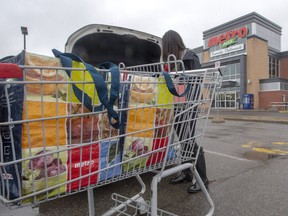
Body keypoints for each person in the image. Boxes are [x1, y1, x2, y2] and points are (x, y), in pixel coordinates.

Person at [162, 30, 209, 193]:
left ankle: (203, 179)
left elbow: (197, 81)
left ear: (170, 45)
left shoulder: (189, 57)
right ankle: (187, 173)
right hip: (176, 106)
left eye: (165, 46)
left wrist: (191, 102)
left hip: (188, 106)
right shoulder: (172, 61)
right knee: (183, 141)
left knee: (190, 140)